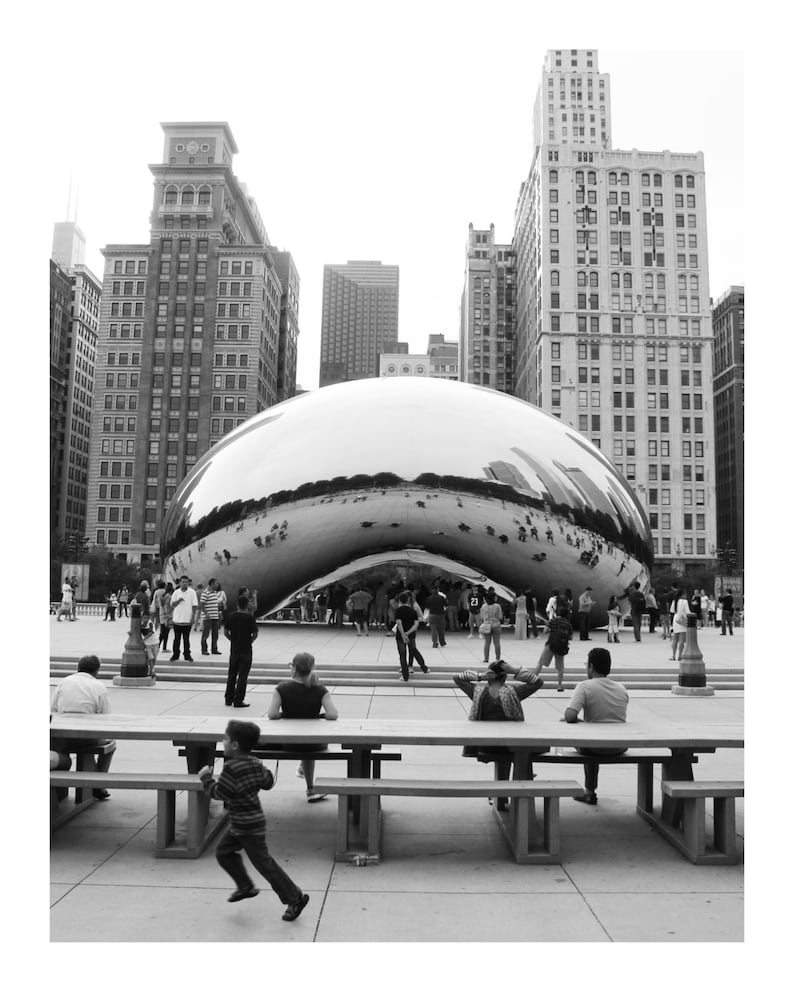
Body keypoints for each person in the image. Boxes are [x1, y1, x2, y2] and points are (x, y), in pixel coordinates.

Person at [198, 720, 310, 921]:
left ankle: (295, 897)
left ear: (234, 745)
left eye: (225, 739)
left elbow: (220, 793)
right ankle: (245, 886)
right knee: (224, 852)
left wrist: (206, 778)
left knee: (264, 864)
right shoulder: (255, 763)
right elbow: (267, 783)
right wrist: (265, 772)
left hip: (246, 827)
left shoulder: (231, 768)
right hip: (247, 823)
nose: (223, 742)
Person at [453, 660, 543, 785]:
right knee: (523, 750)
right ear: (505, 677)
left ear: (488, 676)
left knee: (508, 749)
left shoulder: (478, 693)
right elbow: (538, 682)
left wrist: (480, 676)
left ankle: (502, 789)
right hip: (510, 746)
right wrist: (515, 671)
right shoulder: (513, 693)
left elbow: (457, 678)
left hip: (484, 745)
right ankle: (516, 783)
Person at [267, 652, 339, 802]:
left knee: (301, 743)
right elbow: (332, 714)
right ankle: (310, 788)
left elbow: (272, 714)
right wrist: (319, 716)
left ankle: (303, 768)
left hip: (289, 743)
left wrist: (285, 715)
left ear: (294, 668)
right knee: (308, 744)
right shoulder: (320, 689)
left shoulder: (281, 688)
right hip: (315, 745)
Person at [564, 647, 629, 805]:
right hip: (620, 745)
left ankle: (589, 791)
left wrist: (580, 722)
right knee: (595, 736)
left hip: (594, 747)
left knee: (589, 740)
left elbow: (570, 716)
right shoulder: (621, 689)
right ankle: (589, 791)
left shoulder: (585, 686)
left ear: (591, 667)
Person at [50, 655, 116, 800]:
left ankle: (64, 790)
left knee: (60, 748)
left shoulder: (63, 683)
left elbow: (53, 709)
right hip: (88, 736)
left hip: (62, 736)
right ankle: (99, 783)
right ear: (96, 671)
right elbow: (106, 716)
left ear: (78, 668)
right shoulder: (98, 686)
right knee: (111, 744)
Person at [223, 594, 259, 708]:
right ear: (247, 605)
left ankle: (228, 698)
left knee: (232, 674)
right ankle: (238, 699)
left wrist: (232, 640)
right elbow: (255, 634)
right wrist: (250, 641)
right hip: (246, 650)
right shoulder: (249, 618)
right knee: (243, 676)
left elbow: (225, 632)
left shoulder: (231, 616)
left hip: (234, 649)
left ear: (237, 604)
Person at [533, 604, 573, 692]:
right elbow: (570, 637)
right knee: (560, 668)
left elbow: (545, 631)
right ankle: (559, 686)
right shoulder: (568, 624)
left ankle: (532, 681)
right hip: (561, 646)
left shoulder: (553, 620)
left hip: (550, 644)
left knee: (540, 663)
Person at [393, 591, 428, 679]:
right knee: (414, 650)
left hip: (400, 636)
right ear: (408, 599)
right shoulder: (413, 610)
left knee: (402, 655)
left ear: (400, 600)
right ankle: (424, 667)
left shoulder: (398, 610)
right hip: (411, 634)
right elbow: (416, 624)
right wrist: (408, 633)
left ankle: (405, 675)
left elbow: (399, 623)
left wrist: (403, 634)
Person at [170, 575, 199, 662]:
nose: (184, 584)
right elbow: (172, 605)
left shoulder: (192, 592)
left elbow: (195, 605)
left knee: (186, 639)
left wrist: (193, 617)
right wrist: (178, 600)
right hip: (177, 620)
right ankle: (175, 654)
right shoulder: (176, 592)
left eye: (186, 582)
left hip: (187, 620)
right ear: (180, 583)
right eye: (183, 582)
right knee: (176, 639)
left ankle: (187, 655)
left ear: (188, 583)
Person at [200, 578, 224, 656]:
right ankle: (204, 649)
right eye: (216, 583)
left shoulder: (215, 593)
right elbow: (201, 604)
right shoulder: (205, 593)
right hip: (208, 618)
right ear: (212, 584)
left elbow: (215, 604)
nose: (217, 585)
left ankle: (214, 649)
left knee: (215, 634)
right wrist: (206, 613)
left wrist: (219, 613)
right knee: (206, 634)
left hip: (215, 617)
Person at [480, 590, 503, 663]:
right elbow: (500, 616)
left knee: (487, 642)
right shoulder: (497, 606)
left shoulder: (484, 606)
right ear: (493, 598)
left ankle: (486, 658)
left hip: (486, 625)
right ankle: (498, 658)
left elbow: (481, 617)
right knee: (497, 643)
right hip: (496, 625)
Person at [671, 587, 691, 661]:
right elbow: (688, 612)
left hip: (676, 619)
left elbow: (672, 610)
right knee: (682, 639)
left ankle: (673, 655)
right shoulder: (684, 602)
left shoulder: (675, 601)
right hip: (682, 619)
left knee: (675, 638)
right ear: (683, 594)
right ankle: (680, 655)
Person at [158, 582, 173, 654]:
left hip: (161, 616)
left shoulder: (162, 596)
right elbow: (167, 607)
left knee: (162, 633)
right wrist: (169, 617)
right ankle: (164, 647)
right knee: (166, 633)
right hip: (167, 616)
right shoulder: (169, 597)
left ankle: (158, 646)